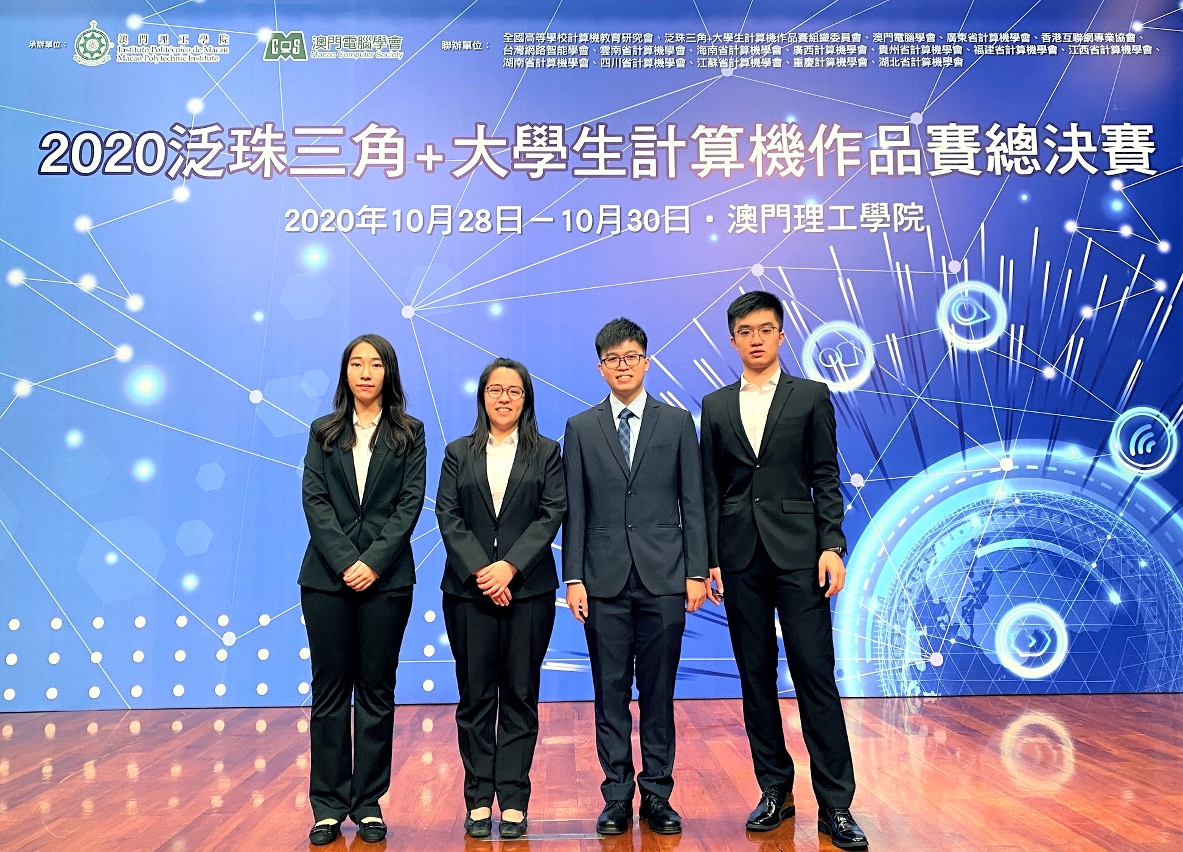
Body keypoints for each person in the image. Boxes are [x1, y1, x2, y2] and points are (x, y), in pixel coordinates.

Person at [699, 292, 868, 850]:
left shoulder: (811, 396)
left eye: (765, 329)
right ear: (732, 340)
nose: (756, 339)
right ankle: (775, 790)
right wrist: (710, 558)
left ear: (780, 335)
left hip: (800, 555)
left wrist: (832, 544)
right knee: (755, 678)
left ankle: (836, 804)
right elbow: (710, 489)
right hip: (739, 558)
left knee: (815, 674)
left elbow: (825, 475)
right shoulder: (715, 406)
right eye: (745, 331)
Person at [562, 317, 709, 837]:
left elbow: (693, 501)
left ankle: (658, 795)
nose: (622, 366)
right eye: (612, 359)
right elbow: (575, 509)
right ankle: (617, 797)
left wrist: (696, 571)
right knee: (610, 693)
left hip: (664, 577)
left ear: (646, 362)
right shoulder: (580, 428)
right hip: (601, 581)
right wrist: (573, 578)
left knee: (658, 693)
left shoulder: (677, 423)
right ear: (600, 368)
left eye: (631, 357)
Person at [298, 333, 427, 846]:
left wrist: (371, 562)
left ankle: (369, 803)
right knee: (330, 692)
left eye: (375, 364)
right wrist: (346, 562)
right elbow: (315, 500)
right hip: (326, 581)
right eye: (357, 363)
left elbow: (411, 503)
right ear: (345, 372)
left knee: (376, 690)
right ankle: (328, 806)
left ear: (388, 372)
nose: (366, 372)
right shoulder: (323, 431)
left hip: (387, 580)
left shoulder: (410, 433)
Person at [435, 358, 566, 841]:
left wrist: (509, 567)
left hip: (528, 591)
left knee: (519, 695)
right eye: (496, 389)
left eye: (514, 390)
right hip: (468, 593)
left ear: (526, 398)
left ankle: (512, 800)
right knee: (474, 698)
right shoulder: (457, 452)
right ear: (483, 396)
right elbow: (448, 515)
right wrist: (481, 570)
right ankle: (476, 799)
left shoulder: (547, 452)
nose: (504, 398)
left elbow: (551, 513)